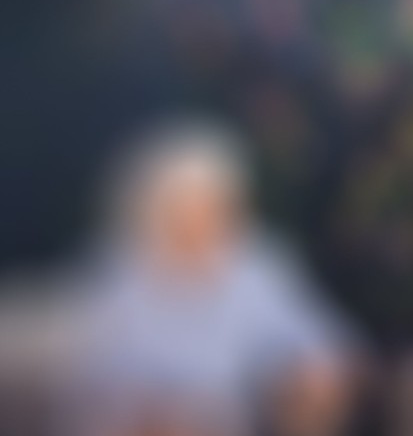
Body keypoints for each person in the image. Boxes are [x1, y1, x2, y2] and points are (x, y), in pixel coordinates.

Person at [60, 120, 356, 436]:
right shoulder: (117, 275)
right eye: (188, 207)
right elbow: (97, 382)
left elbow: (317, 338)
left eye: (215, 206)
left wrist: (313, 370)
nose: (203, 220)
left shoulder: (257, 264)